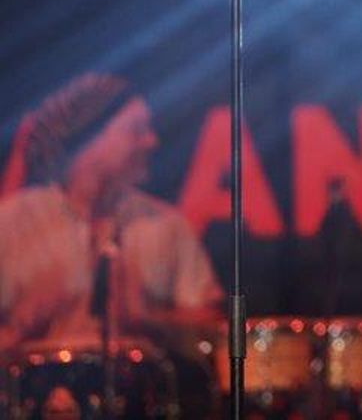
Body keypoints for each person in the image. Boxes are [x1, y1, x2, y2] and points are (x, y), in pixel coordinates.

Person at [0, 73, 223, 357]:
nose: (151, 141)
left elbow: (210, 329)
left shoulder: (168, 225)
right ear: (91, 136)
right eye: (137, 130)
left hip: (144, 384)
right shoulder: (12, 223)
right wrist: (20, 328)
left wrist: (148, 319)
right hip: (33, 385)